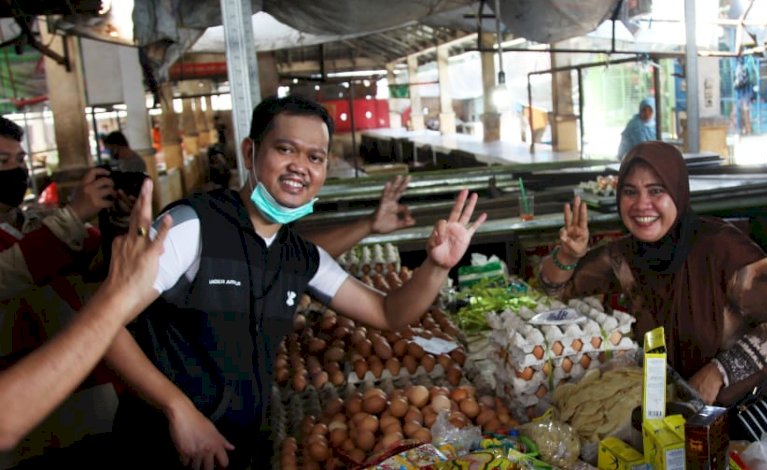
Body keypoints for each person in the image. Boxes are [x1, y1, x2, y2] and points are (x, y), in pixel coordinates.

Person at [104, 95, 484, 469]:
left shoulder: (300, 257)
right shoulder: (192, 227)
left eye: (314, 157)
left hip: (234, 446)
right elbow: (103, 326)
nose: (300, 167)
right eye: (286, 149)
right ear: (250, 151)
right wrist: (178, 409)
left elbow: (388, 313)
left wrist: (436, 267)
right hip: (160, 444)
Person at [540, 141, 767, 407]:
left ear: (678, 192)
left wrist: (718, 371)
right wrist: (568, 256)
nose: (642, 204)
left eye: (656, 191)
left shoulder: (719, 245)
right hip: (695, 412)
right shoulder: (625, 257)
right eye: (630, 192)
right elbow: (554, 290)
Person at [0, 178, 168, 451]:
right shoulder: (51, 227)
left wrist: (121, 222)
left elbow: (98, 264)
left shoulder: (33, 221)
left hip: (93, 395)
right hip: (33, 418)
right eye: (4, 160)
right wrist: (73, 216)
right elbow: (16, 268)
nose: (16, 169)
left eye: (19, 158)